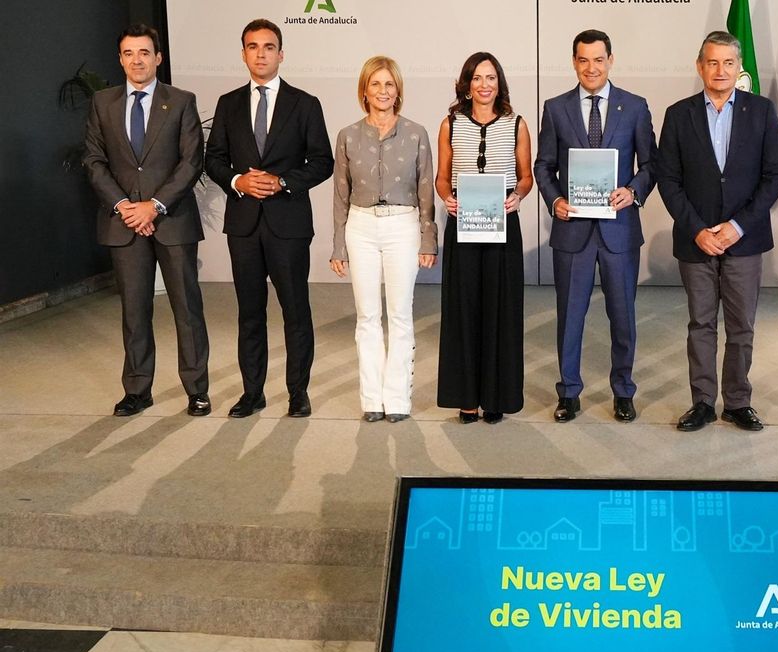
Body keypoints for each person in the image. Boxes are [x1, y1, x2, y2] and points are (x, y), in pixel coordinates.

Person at [205, 18, 334, 419]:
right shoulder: (228, 104)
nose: (260, 53)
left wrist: (282, 182)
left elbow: (323, 162)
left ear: (281, 53)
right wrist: (238, 180)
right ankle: (252, 393)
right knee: (249, 312)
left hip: (288, 223)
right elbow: (213, 159)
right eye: (252, 46)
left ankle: (298, 393)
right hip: (243, 223)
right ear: (243, 53)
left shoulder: (305, 103)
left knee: (296, 310)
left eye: (268, 46)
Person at [658, 31, 778, 433]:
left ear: (739, 67)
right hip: (696, 241)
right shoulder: (678, 114)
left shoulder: (762, 111)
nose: (720, 70)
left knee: (742, 325)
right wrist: (697, 230)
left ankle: (737, 402)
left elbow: (774, 176)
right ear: (700, 67)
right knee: (701, 324)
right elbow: (668, 179)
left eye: (728, 63)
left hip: (744, 240)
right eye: (712, 62)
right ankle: (702, 403)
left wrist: (737, 226)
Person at [82, 24, 210, 418]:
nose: (136, 60)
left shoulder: (182, 101)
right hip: (123, 223)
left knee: (186, 308)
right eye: (128, 53)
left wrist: (154, 206)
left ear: (158, 57)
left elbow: (191, 161)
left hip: (171, 221)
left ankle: (196, 391)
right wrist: (125, 206)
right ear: (120, 59)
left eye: (143, 52)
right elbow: (94, 160)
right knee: (135, 311)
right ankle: (137, 390)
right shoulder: (103, 103)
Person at [533, 29, 657, 424]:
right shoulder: (556, 108)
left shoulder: (634, 107)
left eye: (598, 59)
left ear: (610, 60)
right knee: (570, 316)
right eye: (583, 60)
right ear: (574, 62)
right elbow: (543, 166)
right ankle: (568, 393)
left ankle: (623, 390)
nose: (591, 67)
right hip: (573, 233)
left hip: (619, 231)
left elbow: (652, 165)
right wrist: (555, 200)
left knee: (623, 316)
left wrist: (633, 192)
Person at [329, 56, 437, 423]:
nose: (383, 91)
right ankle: (372, 399)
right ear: (364, 90)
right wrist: (338, 244)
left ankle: (398, 399)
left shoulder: (415, 133)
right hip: (360, 226)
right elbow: (340, 194)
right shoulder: (347, 135)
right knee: (367, 316)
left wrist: (428, 239)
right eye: (375, 84)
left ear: (398, 90)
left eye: (389, 84)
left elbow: (426, 191)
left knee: (400, 314)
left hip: (403, 226)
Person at [435, 52, 533, 424]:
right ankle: (466, 397)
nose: (484, 85)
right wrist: (446, 197)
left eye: (491, 78)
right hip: (463, 224)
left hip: (502, 225)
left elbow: (526, 176)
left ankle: (496, 397)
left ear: (500, 83)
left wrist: (517, 196)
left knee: (500, 309)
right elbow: (443, 176)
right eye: (477, 78)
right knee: (463, 309)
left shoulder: (517, 124)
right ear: (466, 83)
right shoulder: (450, 123)